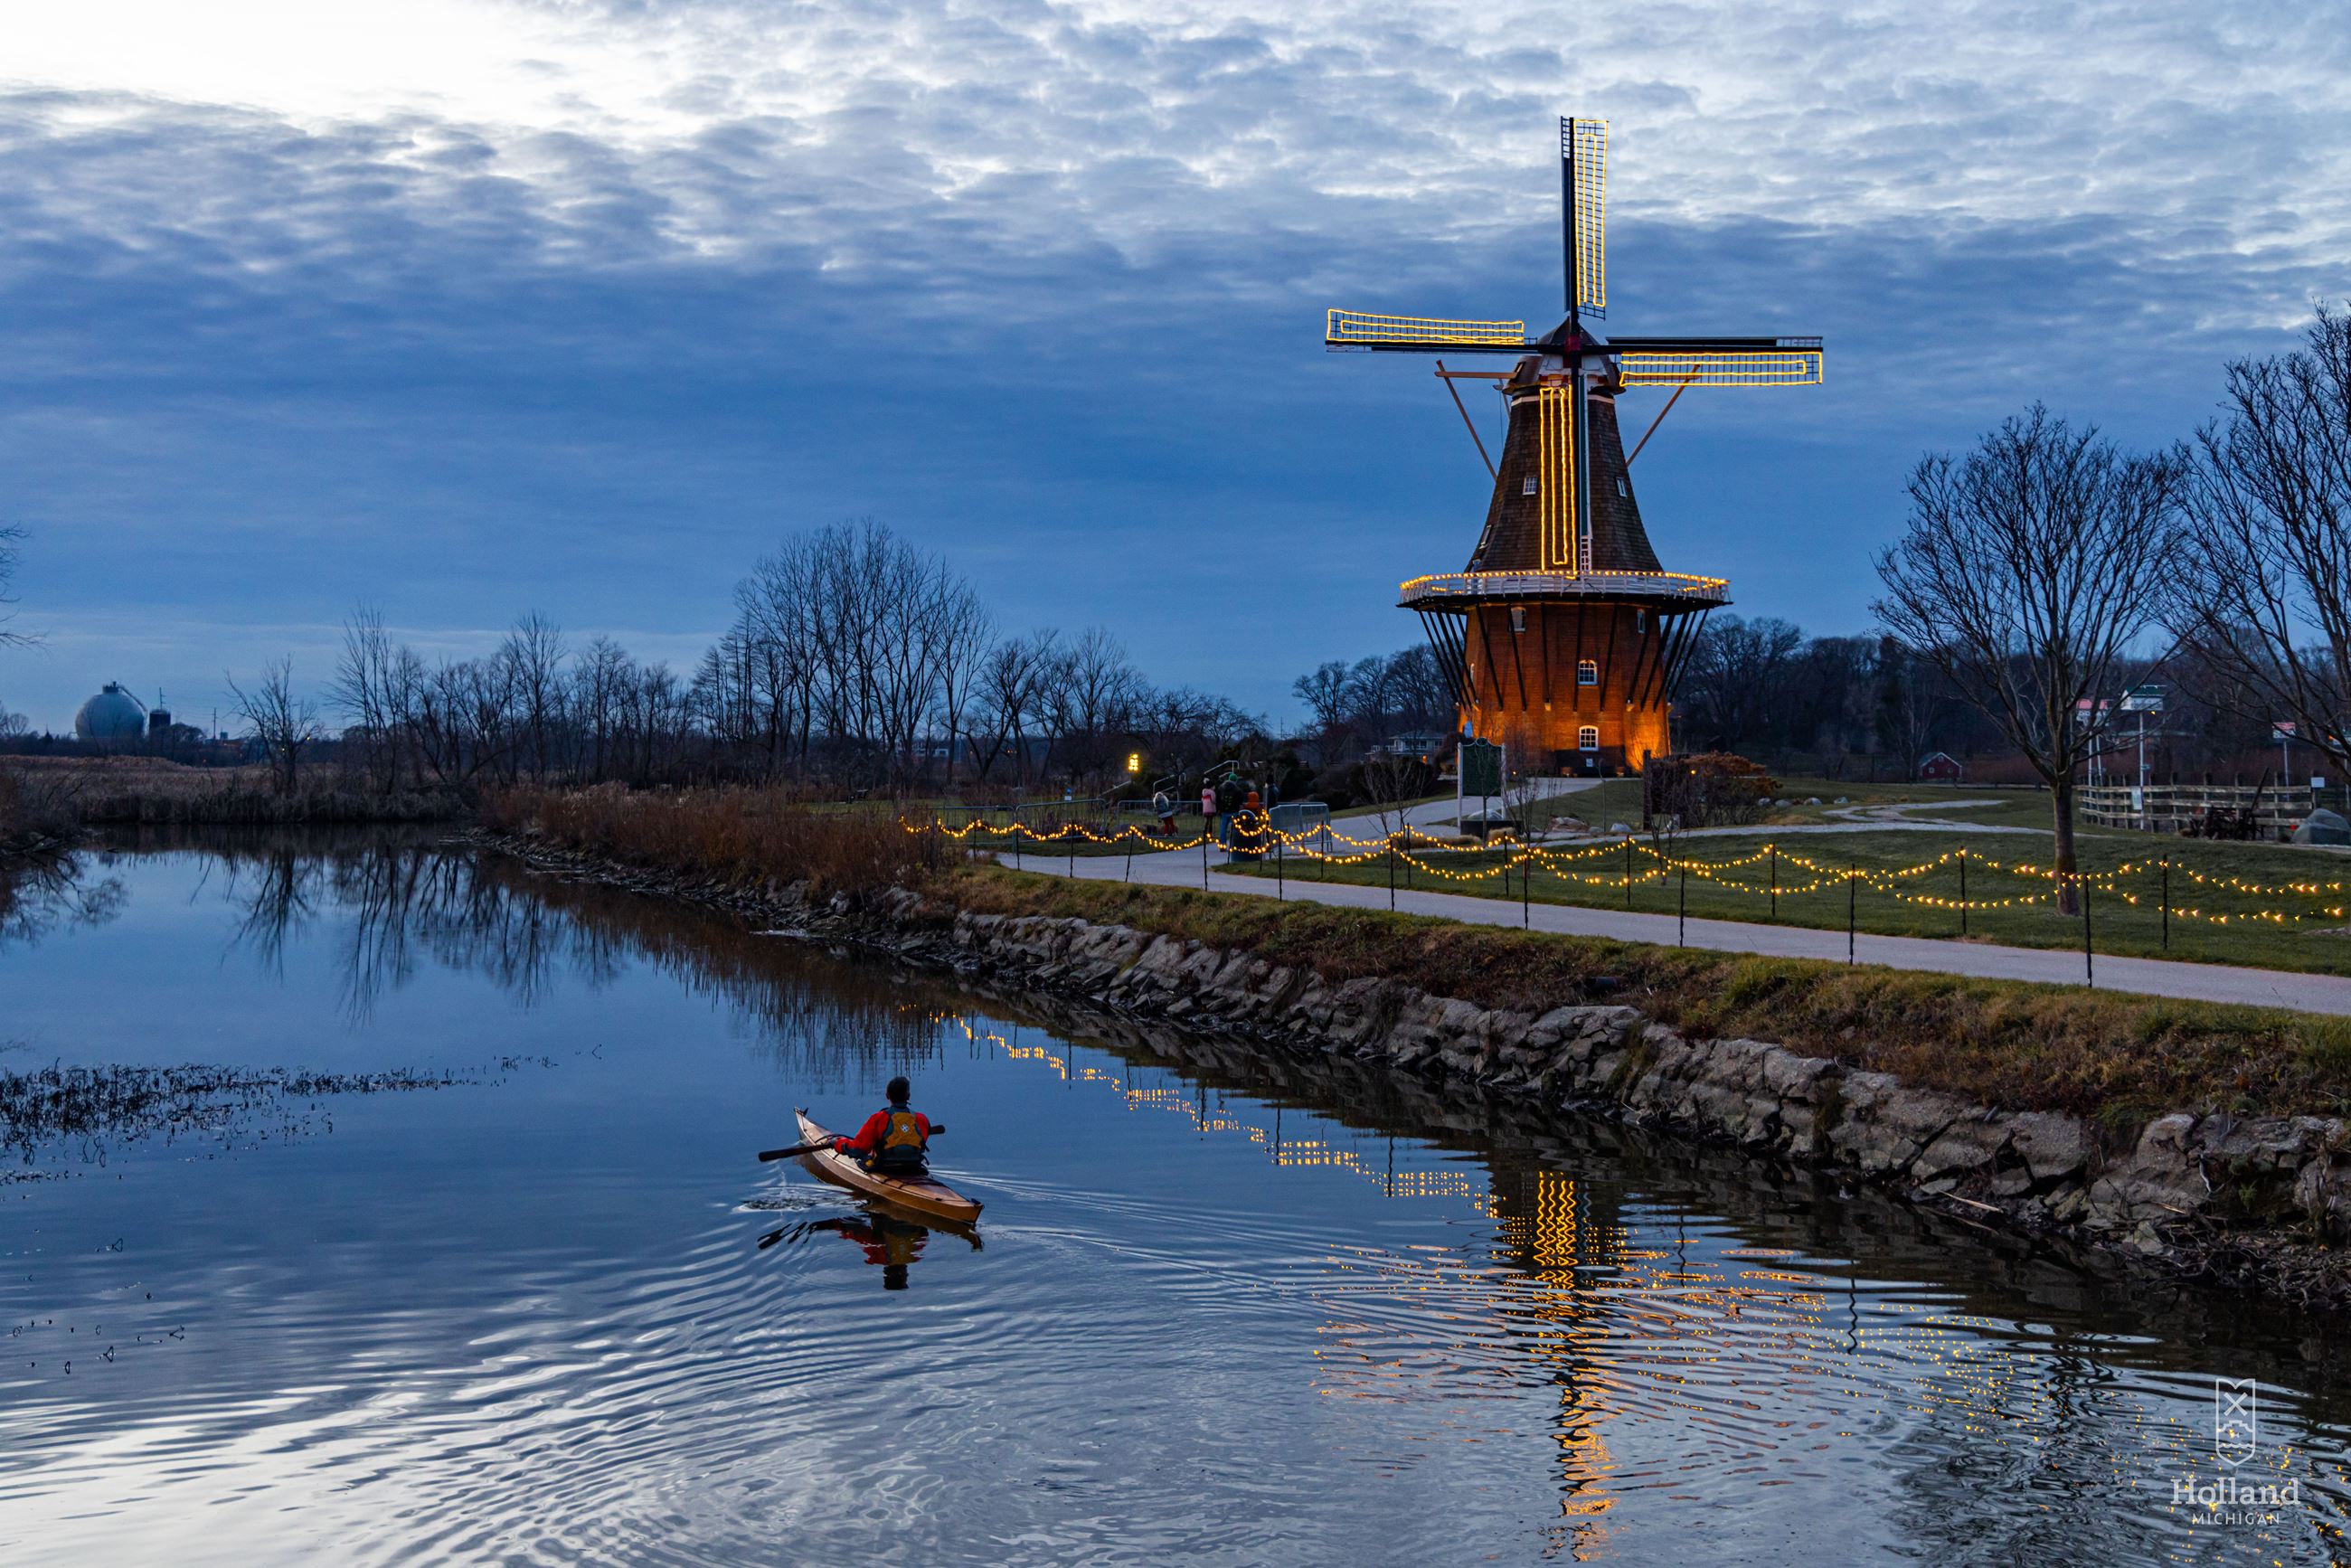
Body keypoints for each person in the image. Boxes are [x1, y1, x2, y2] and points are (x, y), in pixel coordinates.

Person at [833, 1076, 943, 1175]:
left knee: (864, 1158)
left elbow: (858, 1149)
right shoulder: (921, 1120)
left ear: (887, 1096)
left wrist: (838, 1144)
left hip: (884, 1168)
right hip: (913, 1168)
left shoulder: (879, 1118)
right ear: (908, 1096)